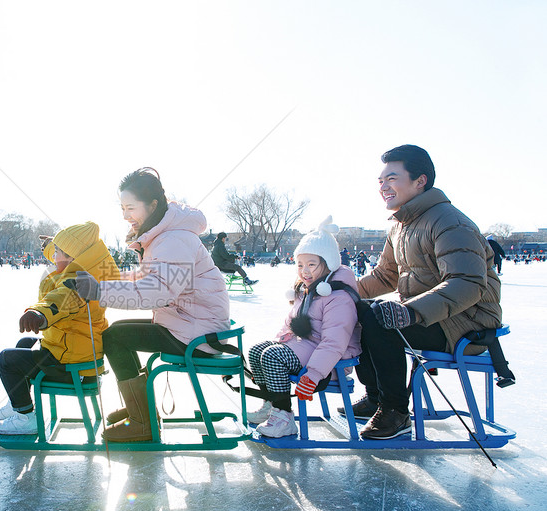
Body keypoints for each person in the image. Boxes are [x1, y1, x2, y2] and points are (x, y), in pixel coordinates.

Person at [68, 167, 230, 442]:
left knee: (116, 337)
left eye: (131, 207)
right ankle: (140, 409)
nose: (125, 215)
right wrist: (102, 281)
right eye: (122, 208)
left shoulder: (173, 239)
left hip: (197, 334)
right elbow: (147, 278)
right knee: (118, 333)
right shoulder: (164, 236)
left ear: (153, 205)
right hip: (189, 322)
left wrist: (99, 290)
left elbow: (157, 291)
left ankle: (142, 422)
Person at [352, 144, 502, 439]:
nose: (383, 186)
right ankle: (376, 396)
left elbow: (467, 283)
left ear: (420, 181)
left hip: (467, 323)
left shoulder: (449, 222)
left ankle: (395, 411)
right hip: (432, 317)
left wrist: (410, 312)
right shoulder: (400, 225)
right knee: (357, 310)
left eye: (392, 179)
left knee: (380, 321)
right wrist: (337, 291)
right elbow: (385, 275)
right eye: (380, 181)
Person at [0, 222, 120, 435]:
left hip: (73, 366)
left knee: (6, 360)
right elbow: (64, 255)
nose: (53, 255)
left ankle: (25, 417)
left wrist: (39, 313)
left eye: (57, 252)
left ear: (72, 258)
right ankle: (18, 403)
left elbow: (60, 300)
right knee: (25, 344)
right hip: (77, 351)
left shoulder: (78, 282)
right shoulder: (88, 266)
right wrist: (50, 245)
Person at [246, 217, 361, 437]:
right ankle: (271, 403)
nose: (304, 271)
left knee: (273, 357)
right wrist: (279, 341)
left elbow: (334, 342)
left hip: (330, 363)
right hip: (305, 348)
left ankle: (284, 416)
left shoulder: (338, 297)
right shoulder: (308, 290)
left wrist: (315, 374)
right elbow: (290, 324)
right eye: (300, 265)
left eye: (311, 265)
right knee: (258, 351)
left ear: (327, 265)